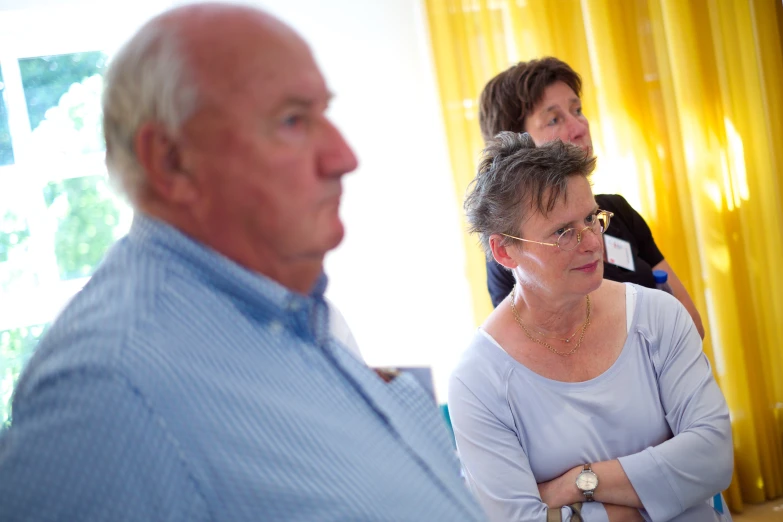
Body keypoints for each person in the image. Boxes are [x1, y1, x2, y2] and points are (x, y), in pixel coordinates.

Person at [0, 4, 486, 521]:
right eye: (293, 120)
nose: (343, 156)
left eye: (324, 113)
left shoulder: (290, 316)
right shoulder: (107, 389)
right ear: (171, 162)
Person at [450, 131, 733, 521]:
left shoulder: (656, 316)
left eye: (590, 219)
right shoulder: (478, 378)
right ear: (504, 250)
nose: (591, 243)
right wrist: (639, 506)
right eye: (563, 232)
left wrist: (577, 485)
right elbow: (517, 518)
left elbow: (713, 456)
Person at [478, 58, 705, 339]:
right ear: (515, 145)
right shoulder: (514, 247)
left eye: (577, 110)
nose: (578, 127)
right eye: (554, 119)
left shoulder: (616, 209)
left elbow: (691, 327)